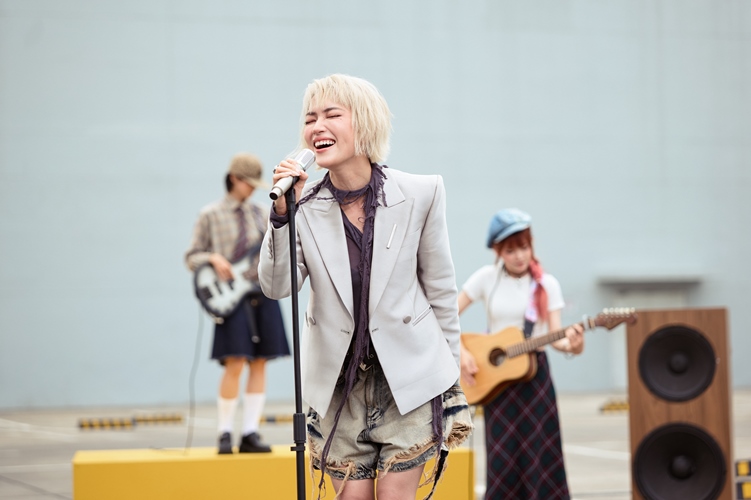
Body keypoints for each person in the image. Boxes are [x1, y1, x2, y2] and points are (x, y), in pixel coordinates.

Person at [258, 74, 472, 500]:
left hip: (408, 378)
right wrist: (282, 215)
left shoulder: (420, 193)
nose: (317, 126)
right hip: (339, 386)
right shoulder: (304, 205)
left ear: (366, 122)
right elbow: (278, 285)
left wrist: (449, 379)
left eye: (331, 115)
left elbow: (440, 290)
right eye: (310, 118)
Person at [458, 208, 584, 500]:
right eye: (511, 250)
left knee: (541, 455)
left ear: (532, 245)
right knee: (502, 459)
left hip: (535, 378)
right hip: (497, 381)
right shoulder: (486, 278)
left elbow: (557, 336)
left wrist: (574, 345)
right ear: (498, 251)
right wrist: (463, 353)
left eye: (524, 247)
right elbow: (447, 315)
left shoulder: (546, 284)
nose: (519, 256)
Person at [185, 153, 290, 454]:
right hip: (230, 300)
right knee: (235, 360)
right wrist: (212, 258)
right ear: (233, 178)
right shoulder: (210, 214)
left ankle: (250, 433)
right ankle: (224, 432)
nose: (253, 188)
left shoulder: (262, 213)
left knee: (260, 361)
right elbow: (191, 257)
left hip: (262, 292)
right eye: (248, 182)